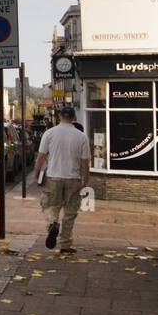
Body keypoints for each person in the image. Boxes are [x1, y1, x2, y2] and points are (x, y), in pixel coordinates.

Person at [34, 106, 91, 253]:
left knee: (50, 206)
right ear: (74, 118)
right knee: (70, 212)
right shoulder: (81, 136)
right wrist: (85, 181)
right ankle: (65, 244)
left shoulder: (49, 133)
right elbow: (85, 162)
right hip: (73, 178)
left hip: (53, 177)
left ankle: (52, 224)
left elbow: (40, 157)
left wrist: (37, 174)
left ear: (59, 117)